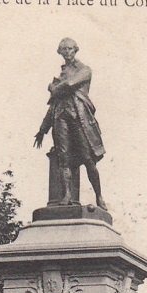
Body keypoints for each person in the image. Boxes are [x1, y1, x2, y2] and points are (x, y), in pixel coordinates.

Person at [34, 37, 106, 209]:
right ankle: (66, 194)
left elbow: (69, 85)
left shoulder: (85, 70)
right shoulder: (61, 74)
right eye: (63, 49)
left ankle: (99, 196)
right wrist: (42, 129)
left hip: (79, 119)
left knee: (88, 159)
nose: (67, 52)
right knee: (63, 160)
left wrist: (53, 88)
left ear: (76, 50)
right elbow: (53, 106)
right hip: (61, 118)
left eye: (69, 49)